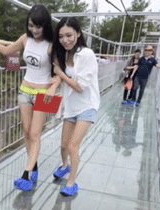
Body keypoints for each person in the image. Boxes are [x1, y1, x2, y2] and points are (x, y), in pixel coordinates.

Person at [0, 5, 58, 192]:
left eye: (39, 26)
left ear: (45, 25)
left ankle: (26, 174)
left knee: (35, 134)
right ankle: (33, 164)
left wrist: (53, 87)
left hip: (44, 94)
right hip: (25, 90)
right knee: (27, 132)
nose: (35, 30)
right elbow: (6, 51)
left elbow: (60, 71)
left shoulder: (52, 45)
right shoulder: (25, 39)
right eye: (31, 26)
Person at [51, 17, 100, 197]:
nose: (66, 40)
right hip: (71, 105)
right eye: (62, 36)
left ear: (78, 34)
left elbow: (80, 87)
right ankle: (65, 166)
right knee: (63, 145)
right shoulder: (63, 53)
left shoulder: (86, 54)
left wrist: (60, 74)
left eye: (69, 35)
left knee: (73, 146)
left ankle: (71, 183)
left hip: (87, 105)